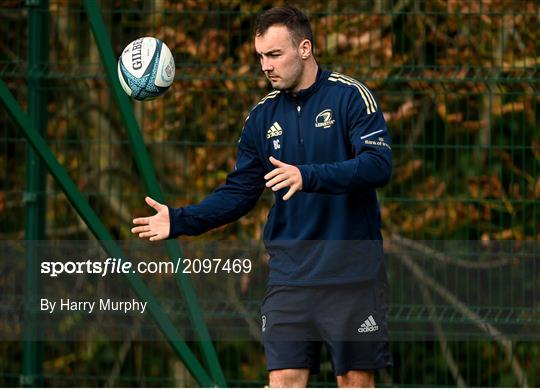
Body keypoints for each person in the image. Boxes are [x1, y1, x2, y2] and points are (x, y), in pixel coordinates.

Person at [132, 5, 392, 387]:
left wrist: (308, 176)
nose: (266, 66)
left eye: (274, 55)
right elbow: (239, 194)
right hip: (291, 276)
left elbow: (378, 165)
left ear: (305, 48)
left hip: (350, 274)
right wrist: (180, 219)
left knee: (355, 380)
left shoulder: (351, 98)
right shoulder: (260, 118)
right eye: (260, 57)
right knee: (284, 378)